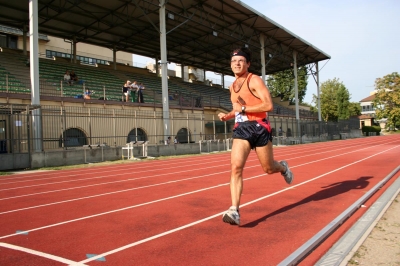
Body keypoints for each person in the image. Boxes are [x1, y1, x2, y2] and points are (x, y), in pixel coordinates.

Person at [218, 47, 294, 226]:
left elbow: (268, 105)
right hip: (242, 129)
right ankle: (234, 210)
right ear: (230, 65)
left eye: (241, 61)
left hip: (260, 128)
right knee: (236, 167)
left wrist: (243, 109)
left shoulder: (254, 80)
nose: (237, 63)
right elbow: (238, 109)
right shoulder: (232, 87)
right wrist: (227, 116)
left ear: (248, 63)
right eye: (234, 61)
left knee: (268, 168)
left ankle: (283, 168)